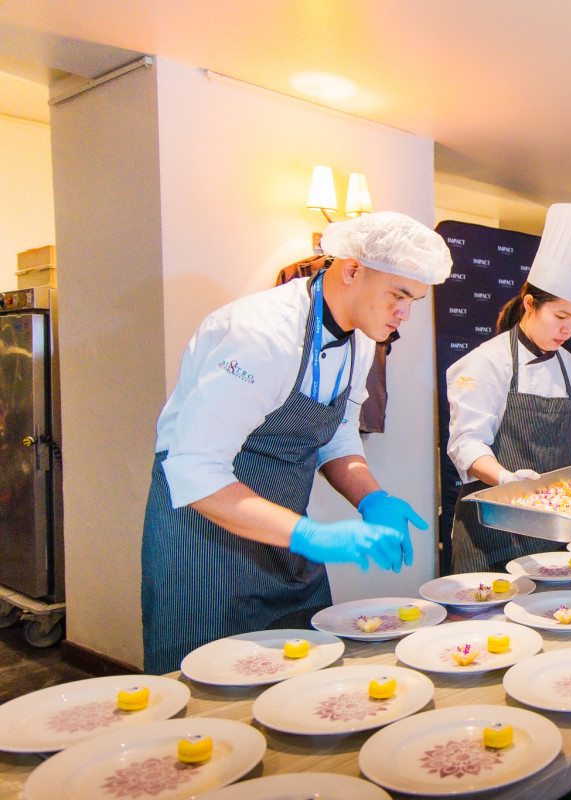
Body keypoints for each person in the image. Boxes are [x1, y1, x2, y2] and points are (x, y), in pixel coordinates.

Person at [141, 212, 452, 673]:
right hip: (205, 540)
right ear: (352, 269)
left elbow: (337, 433)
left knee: (304, 677)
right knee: (208, 691)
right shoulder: (260, 333)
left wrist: (373, 498)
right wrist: (310, 535)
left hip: (285, 540)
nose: (404, 314)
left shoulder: (362, 341)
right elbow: (195, 472)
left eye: (414, 301)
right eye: (398, 295)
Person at [446, 204, 571, 572]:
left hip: (553, 535)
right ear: (530, 305)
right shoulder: (485, 362)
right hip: (492, 533)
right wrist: (507, 480)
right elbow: (466, 444)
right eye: (561, 316)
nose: (569, 329)